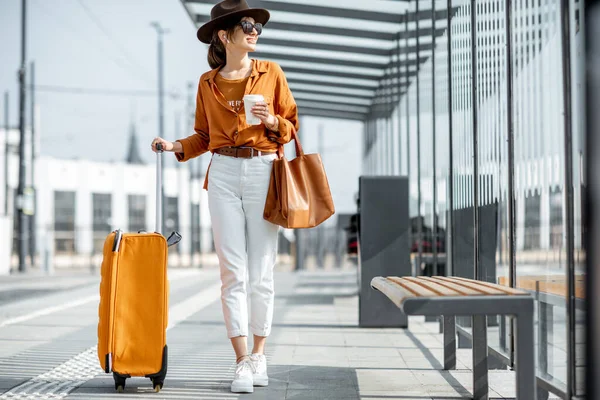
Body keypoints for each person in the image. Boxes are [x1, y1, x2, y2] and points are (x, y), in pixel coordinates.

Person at [150, 0, 298, 394]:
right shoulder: (207, 82)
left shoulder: (271, 73)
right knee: (232, 273)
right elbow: (203, 136)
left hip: (264, 169)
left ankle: (261, 353)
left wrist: (271, 121)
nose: (254, 31)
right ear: (223, 34)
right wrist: (173, 146)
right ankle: (242, 360)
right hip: (223, 173)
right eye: (246, 25)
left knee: (261, 271)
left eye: (257, 26)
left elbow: (291, 124)